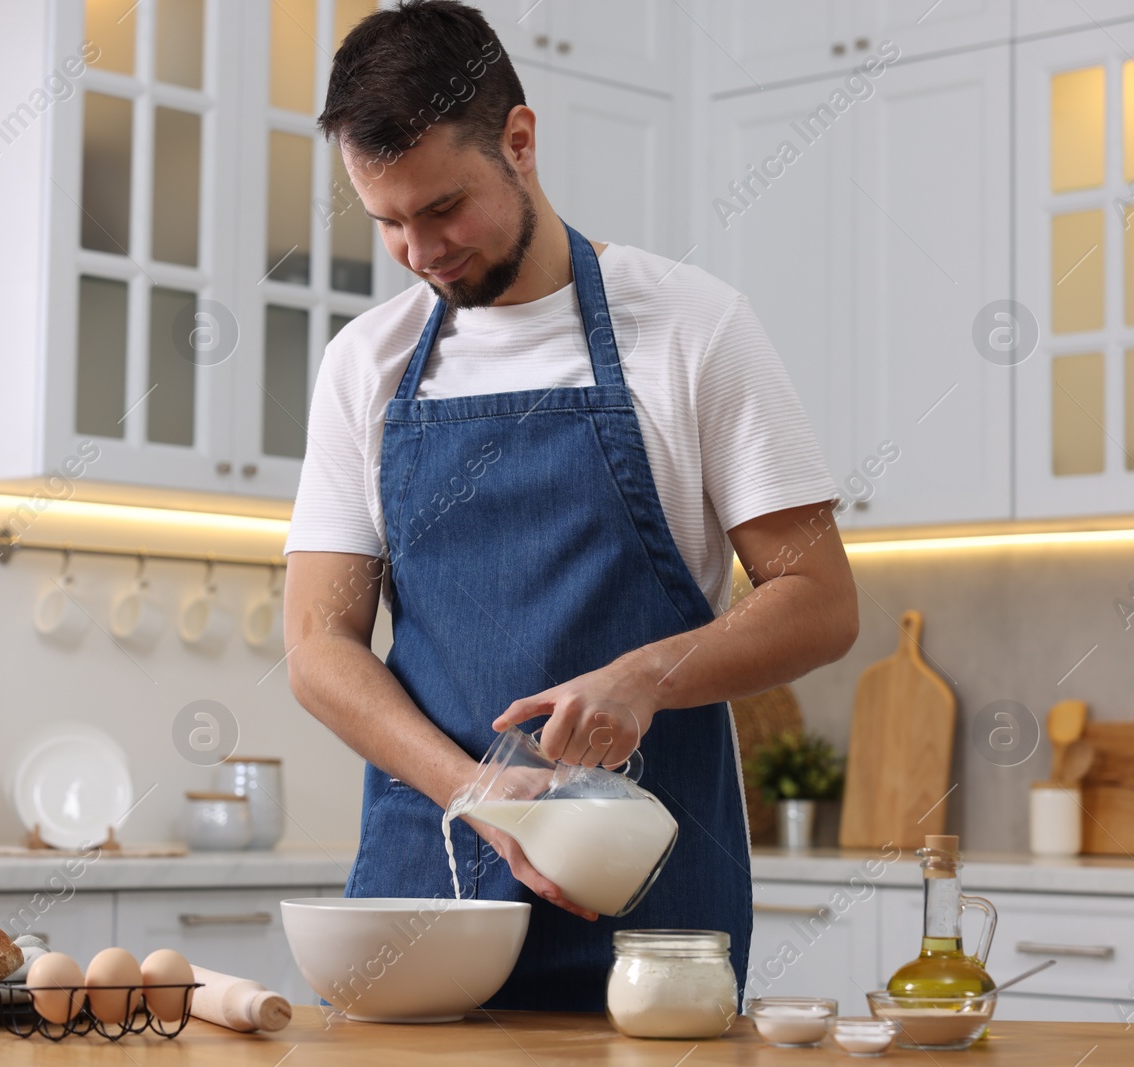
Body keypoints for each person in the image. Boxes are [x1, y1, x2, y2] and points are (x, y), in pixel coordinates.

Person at [282, 0, 858, 1011]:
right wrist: (475, 789)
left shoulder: (693, 328)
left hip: (650, 901)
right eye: (387, 222)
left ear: (519, 139)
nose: (419, 251)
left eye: (443, 207)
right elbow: (317, 647)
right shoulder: (362, 364)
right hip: (434, 891)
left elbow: (816, 597)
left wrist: (646, 673)